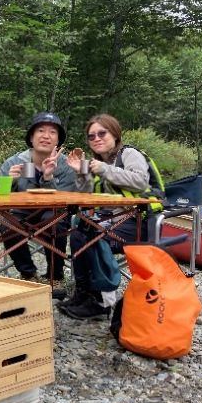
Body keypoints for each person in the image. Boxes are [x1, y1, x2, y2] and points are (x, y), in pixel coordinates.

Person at [60, 113, 165, 319]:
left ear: (115, 135)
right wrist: (81, 172)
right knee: (78, 233)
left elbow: (140, 181)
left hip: (142, 222)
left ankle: (103, 302)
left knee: (94, 236)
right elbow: (86, 195)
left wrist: (104, 169)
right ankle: (84, 293)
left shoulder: (129, 154)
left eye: (102, 133)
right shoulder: (98, 162)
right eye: (91, 136)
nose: (96, 138)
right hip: (113, 220)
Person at [0, 112, 76, 295]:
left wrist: (48, 178)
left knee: (55, 220)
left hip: (53, 213)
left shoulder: (66, 165)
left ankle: (55, 276)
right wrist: (10, 182)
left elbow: (65, 201)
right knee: (6, 222)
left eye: (52, 132)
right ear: (31, 137)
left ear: (58, 140)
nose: (46, 136)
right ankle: (28, 274)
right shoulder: (15, 162)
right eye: (40, 131)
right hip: (22, 213)